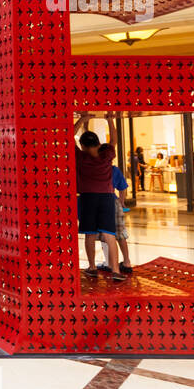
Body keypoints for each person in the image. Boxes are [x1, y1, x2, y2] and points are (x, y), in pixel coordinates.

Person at [74, 113, 124, 281]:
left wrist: (82, 119)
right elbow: (114, 140)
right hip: (107, 198)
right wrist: (110, 120)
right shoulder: (106, 155)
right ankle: (116, 270)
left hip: (87, 199)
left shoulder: (80, 157)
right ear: (97, 143)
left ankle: (92, 267)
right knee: (110, 235)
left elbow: (66, 136)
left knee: (90, 234)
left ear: (82, 145)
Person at [98, 165, 134, 274]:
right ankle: (127, 262)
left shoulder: (95, 167)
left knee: (105, 234)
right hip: (114, 202)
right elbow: (123, 187)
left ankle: (109, 263)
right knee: (120, 233)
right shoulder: (113, 169)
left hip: (100, 203)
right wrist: (121, 202)